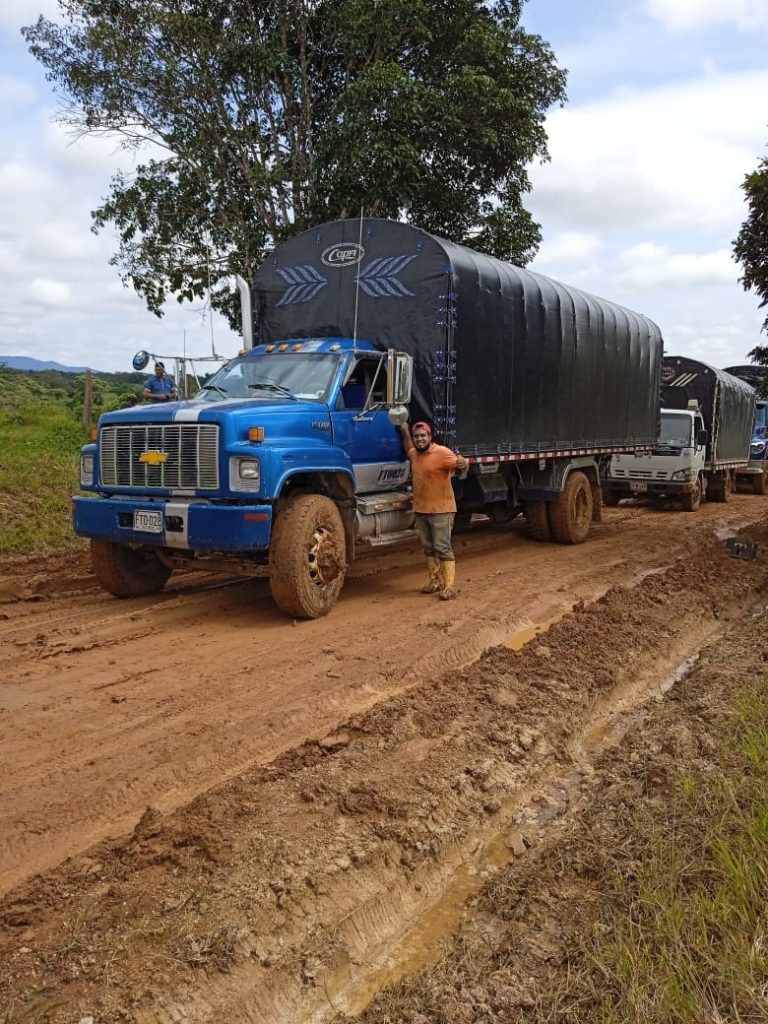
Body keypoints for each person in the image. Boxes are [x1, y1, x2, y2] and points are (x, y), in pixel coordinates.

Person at [398, 419, 468, 600]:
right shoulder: (414, 454)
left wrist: (463, 465)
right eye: (416, 436)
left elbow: (460, 470)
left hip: (442, 510)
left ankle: (449, 586)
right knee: (429, 548)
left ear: (430, 437)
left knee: (442, 547)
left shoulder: (442, 453)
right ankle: (435, 582)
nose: (419, 439)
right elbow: (408, 449)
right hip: (422, 510)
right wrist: (404, 430)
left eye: (423, 436)